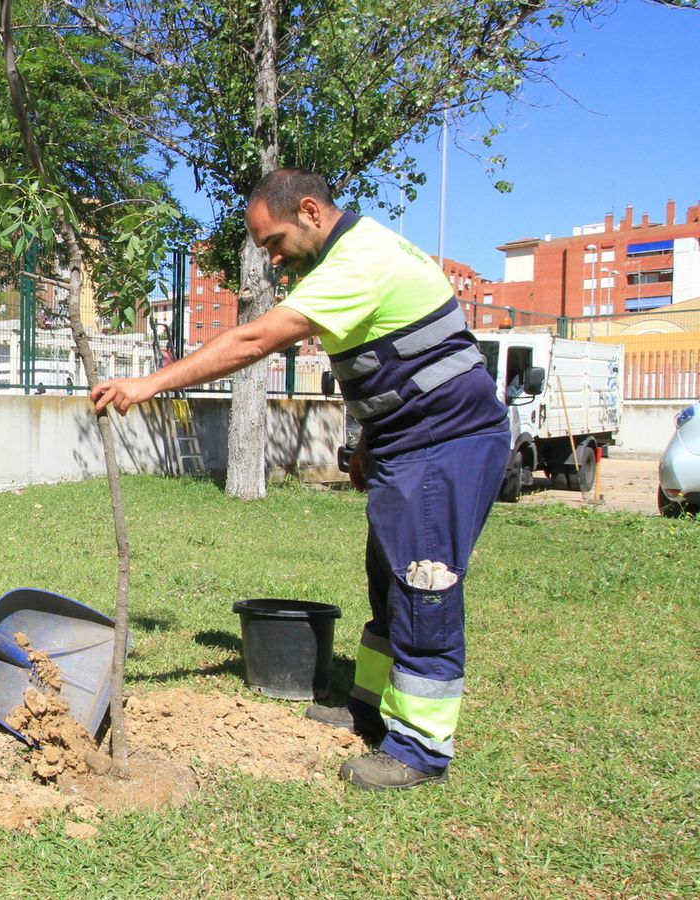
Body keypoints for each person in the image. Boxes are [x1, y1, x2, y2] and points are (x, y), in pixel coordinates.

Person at [91, 168, 509, 791]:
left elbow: (255, 339)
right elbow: (399, 360)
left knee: (423, 587)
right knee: (389, 581)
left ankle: (420, 748)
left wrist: (149, 383)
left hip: (442, 446)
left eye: (275, 241)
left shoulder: (356, 264)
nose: (273, 258)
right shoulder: (359, 251)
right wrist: (369, 443)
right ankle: (371, 708)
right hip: (408, 442)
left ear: (310, 211)